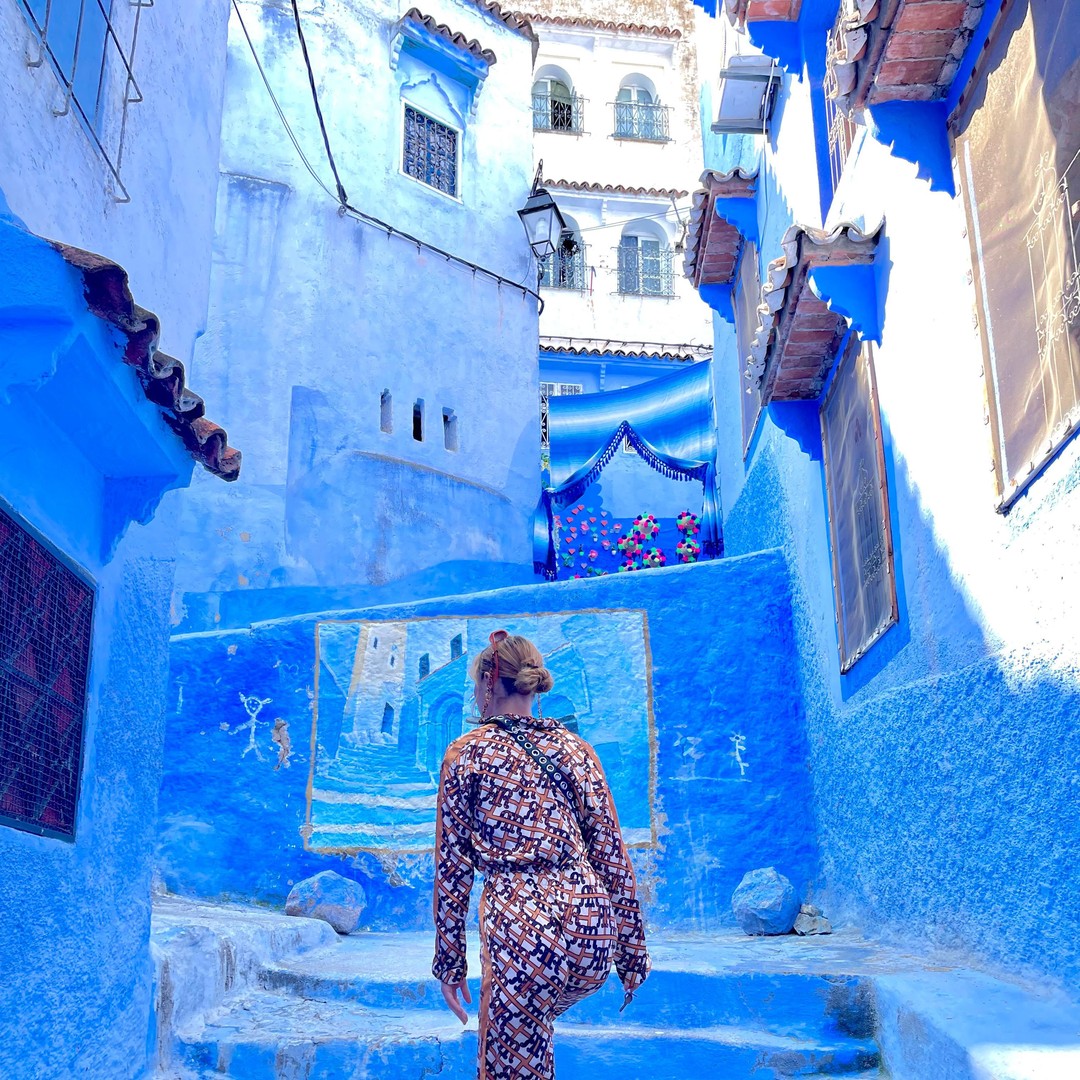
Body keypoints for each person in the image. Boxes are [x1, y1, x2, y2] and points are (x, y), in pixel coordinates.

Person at [432, 630, 650, 1079]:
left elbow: (453, 869)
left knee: (513, 1056)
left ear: (489, 685)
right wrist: (631, 952)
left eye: (476, 686)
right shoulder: (577, 750)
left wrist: (450, 963)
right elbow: (610, 854)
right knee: (536, 1026)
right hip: (592, 928)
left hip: (523, 927)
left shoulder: (467, 754)